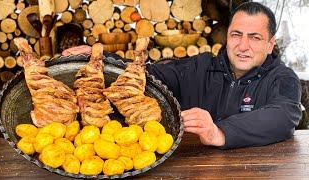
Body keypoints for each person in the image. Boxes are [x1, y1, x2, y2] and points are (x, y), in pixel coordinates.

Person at [62, 2, 302, 149]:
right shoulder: (200, 66)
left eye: (255, 37)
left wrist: (219, 132)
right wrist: (103, 62)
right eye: (236, 34)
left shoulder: (282, 78)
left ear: (270, 44)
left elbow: (283, 116)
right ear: (227, 36)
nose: (242, 45)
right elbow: (150, 74)